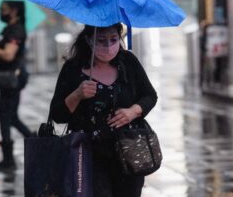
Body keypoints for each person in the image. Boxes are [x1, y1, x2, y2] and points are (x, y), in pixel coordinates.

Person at [49, 23, 158, 197]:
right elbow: (57, 114)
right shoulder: (73, 68)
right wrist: (77, 95)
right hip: (88, 155)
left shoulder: (128, 62)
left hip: (128, 151)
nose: (108, 46)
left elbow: (150, 96)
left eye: (113, 39)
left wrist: (133, 111)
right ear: (89, 40)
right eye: (101, 40)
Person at [0, 0, 33, 172]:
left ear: (14, 10)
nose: (0, 12)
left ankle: (10, 159)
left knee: (6, 117)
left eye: (3, 9)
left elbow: (8, 55)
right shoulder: (10, 28)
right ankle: (34, 142)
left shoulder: (16, 30)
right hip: (8, 79)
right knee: (10, 117)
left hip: (12, 79)